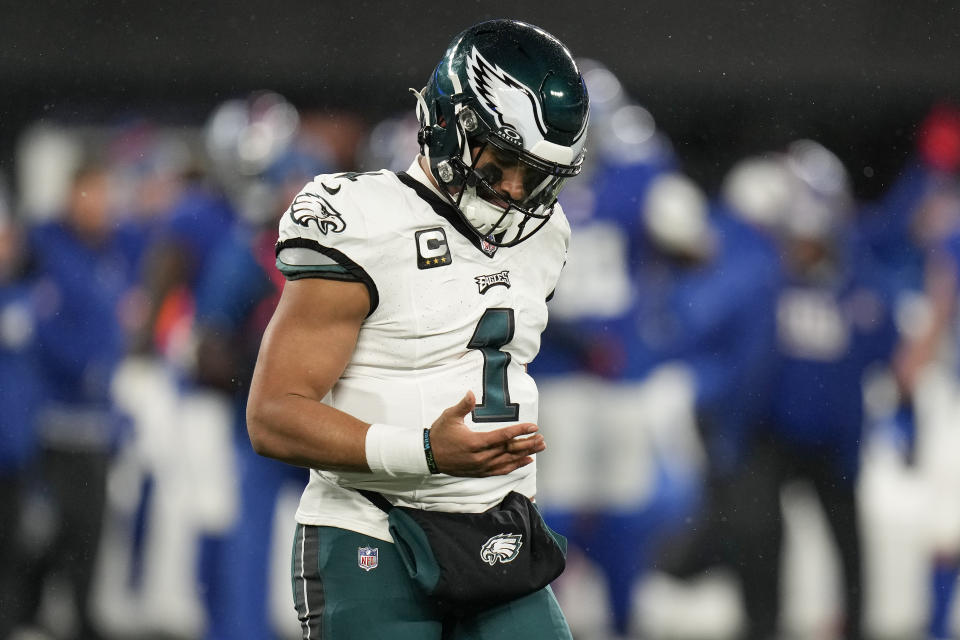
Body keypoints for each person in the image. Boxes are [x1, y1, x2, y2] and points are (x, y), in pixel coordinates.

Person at [245, 19, 589, 640]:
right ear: (446, 127)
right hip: (372, 531)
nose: (515, 191)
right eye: (501, 160)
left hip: (496, 534)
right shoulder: (362, 219)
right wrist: (425, 452)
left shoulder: (550, 235)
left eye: (534, 173)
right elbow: (272, 414)